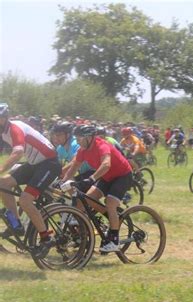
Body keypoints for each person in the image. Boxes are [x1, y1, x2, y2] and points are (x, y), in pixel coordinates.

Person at [0, 103, 61, 255]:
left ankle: (46, 238)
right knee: (3, 184)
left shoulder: (14, 128)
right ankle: (16, 224)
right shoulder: (3, 130)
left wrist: (1, 169)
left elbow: (18, 152)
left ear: (6, 117)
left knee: (25, 200)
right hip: (35, 164)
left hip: (49, 163)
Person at [62, 125, 133, 252]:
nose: (77, 141)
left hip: (122, 175)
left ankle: (114, 240)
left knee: (110, 203)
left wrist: (92, 179)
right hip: (107, 177)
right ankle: (109, 219)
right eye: (76, 138)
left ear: (89, 138)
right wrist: (64, 181)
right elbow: (74, 166)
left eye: (79, 138)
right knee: (87, 198)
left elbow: (106, 164)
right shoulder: (82, 150)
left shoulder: (102, 145)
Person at [50, 122, 95, 187]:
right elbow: (58, 164)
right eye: (55, 135)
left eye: (59, 135)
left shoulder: (76, 144)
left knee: (68, 184)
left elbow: (75, 161)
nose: (56, 137)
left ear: (67, 135)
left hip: (90, 173)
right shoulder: (60, 148)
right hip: (78, 174)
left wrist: (60, 173)